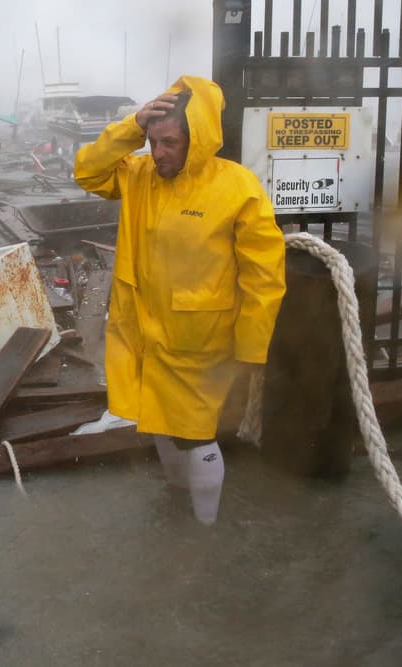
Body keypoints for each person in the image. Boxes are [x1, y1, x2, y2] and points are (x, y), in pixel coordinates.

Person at [72, 75, 286, 525]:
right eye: (152, 142)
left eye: (170, 142)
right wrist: (131, 126)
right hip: (141, 333)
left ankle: (204, 529)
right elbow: (87, 171)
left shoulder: (237, 187)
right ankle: (175, 503)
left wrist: (251, 348)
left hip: (199, 340)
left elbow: (263, 275)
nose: (159, 153)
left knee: (194, 435)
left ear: (200, 140)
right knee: (156, 422)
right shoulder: (138, 176)